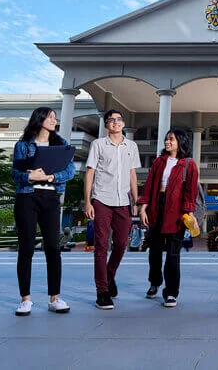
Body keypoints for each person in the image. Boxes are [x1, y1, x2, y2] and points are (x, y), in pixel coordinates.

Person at [11, 107, 75, 316]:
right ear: (39, 120)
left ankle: (54, 298)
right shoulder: (23, 145)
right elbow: (15, 173)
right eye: (50, 118)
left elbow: (70, 171)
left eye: (55, 118)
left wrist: (50, 178)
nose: (54, 121)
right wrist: (30, 177)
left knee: (53, 248)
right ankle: (25, 299)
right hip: (27, 197)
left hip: (51, 197)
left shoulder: (61, 144)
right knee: (27, 247)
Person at [84, 109, 141, 310]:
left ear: (123, 123)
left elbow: (132, 174)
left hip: (123, 202)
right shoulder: (98, 144)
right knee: (100, 246)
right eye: (111, 120)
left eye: (118, 119)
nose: (115, 123)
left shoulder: (131, 146)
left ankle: (109, 275)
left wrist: (136, 201)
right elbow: (90, 173)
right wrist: (87, 201)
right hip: (101, 199)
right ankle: (102, 292)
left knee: (121, 244)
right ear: (106, 125)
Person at [138, 128, 199, 308]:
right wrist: (143, 209)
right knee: (155, 251)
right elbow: (148, 186)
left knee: (173, 254)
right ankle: (155, 282)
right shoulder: (158, 162)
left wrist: (190, 214)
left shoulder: (189, 164)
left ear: (180, 142)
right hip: (157, 208)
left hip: (177, 210)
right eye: (166, 139)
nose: (167, 142)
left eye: (171, 139)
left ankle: (171, 292)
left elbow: (190, 193)